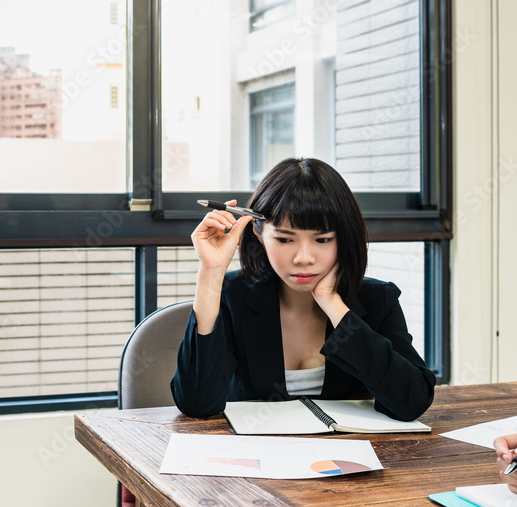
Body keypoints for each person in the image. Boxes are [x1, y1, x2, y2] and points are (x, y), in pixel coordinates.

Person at [171, 157, 435, 421]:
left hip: (350, 455)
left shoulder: (379, 299)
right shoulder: (232, 296)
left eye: (322, 239)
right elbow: (198, 403)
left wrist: (333, 304)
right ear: (259, 233)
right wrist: (211, 273)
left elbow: (412, 401)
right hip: (257, 454)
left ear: (344, 237)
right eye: (285, 239)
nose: (304, 258)